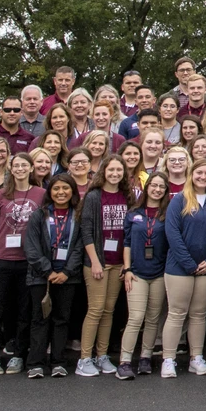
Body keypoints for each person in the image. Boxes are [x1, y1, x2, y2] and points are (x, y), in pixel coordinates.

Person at [0, 153, 44, 375]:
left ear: (31, 168)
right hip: (1, 259)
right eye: (16, 165)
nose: (19, 169)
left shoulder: (41, 194)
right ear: (11, 168)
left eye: (24, 165)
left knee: (23, 311)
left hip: (28, 260)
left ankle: (18, 354)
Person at [161, 158, 206, 379]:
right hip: (179, 267)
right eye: (199, 173)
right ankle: (168, 359)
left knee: (199, 314)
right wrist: (188, 262)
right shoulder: (179, 200)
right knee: (177, 313)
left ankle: (196, 358)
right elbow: (172, 233)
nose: (203, 177)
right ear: (191, 174)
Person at [74, 157, 131, 377]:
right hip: (97, 262)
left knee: (109, 311)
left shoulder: (126, 197)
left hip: (118, 262)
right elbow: (86, 230)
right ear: (103, 171)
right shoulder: (93, 196)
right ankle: (84, 359)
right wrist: (95, 261)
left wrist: (126, 265)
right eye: (111, 169)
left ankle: (102, 355)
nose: (115, 173)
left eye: (119, 169)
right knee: (95, 310)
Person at [22, 172, 83, 378]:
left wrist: (66, 272)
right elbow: (31, 247)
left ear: (72, 191)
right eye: (56, 188)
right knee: (40, 319)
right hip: (41, 276)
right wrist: (48, 271)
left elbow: (80, 247)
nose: (61, 192)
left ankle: (58, 361)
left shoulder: (78, 214)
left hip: (68, 276)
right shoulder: (40, 215)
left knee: (61, 319)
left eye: (65, 188)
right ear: (50, 192)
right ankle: (36, 363)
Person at [116, 171, 172, 378]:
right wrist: (128, 269)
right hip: (137, 273)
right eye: (154, 185)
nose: (157, 190)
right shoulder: (133, 213)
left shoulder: (168, 214)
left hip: (159, 272)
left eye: (161, 187)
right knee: (136, 317)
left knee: (152, 318)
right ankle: (124, 361)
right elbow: (127, 243)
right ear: (147, 187)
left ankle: (146, 357)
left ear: (166, 191)